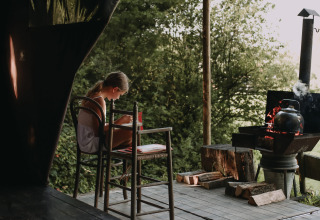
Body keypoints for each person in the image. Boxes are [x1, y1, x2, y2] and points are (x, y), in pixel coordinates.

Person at [77, 71, 132, 153]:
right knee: (132, 131)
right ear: (115, 89)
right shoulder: (99, 100)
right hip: (90, 143)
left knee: (129, 139)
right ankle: (132, 164)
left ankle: (127, 163)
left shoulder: (94, 96)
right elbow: (99, 132)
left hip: (86, 142)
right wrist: (120, 121)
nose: (118, 98)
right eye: (120, 94)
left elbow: (97, 126)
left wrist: (118, 125)